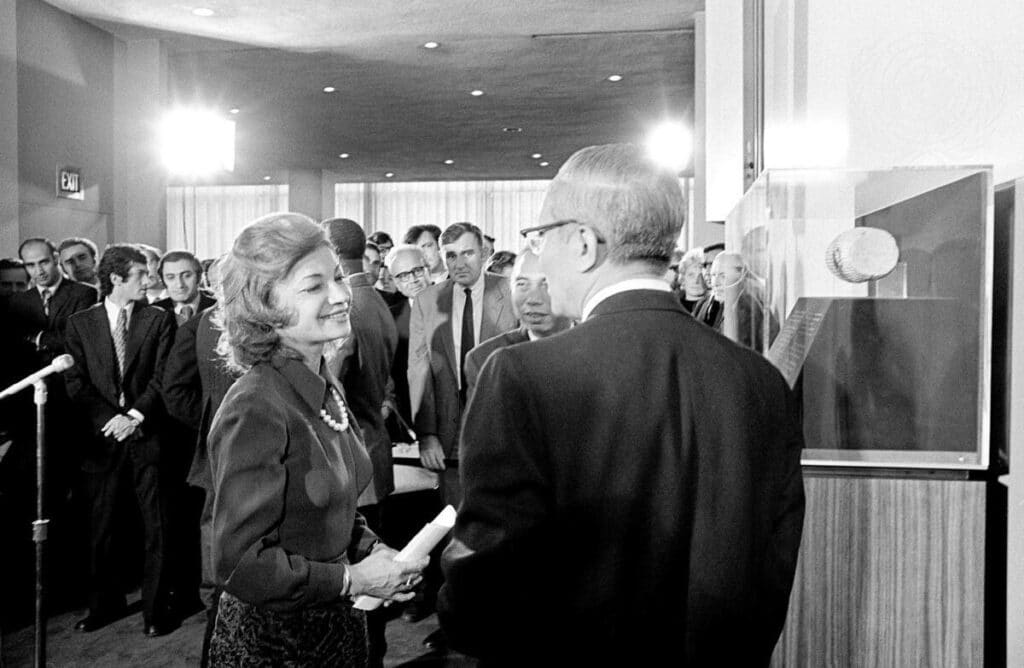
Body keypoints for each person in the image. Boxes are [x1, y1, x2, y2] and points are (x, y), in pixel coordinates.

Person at [439, 144, 805, 666]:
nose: (537, 257)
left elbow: (487, 577)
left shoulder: (523, 374)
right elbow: (775, 561)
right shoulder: (760, 381)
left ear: (584, 243)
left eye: (540, 237)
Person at [207, 212, 426, 666]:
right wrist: (353, 580)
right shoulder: (256, 405)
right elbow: (241, 565)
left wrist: (372, 551)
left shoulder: (323, 382)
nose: (342, 295)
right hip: (276, 644)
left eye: (339, 278)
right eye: (314, 286)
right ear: (264, 307)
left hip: (336, 628)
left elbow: (332, 509)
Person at [65, 244, 177, 637]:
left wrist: (133, 417)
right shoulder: (80, 323)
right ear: (116, 279)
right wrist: (110, 420)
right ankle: (103, 607)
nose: (150, 280)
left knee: (156, 527)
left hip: (146, 435)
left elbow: (163, 378)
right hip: (103, 440)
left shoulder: (159, 320)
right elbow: (76, 383)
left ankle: (155, 612)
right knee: (101, 528)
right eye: (142, 274)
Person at [162, 301, 240, 667]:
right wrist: (214, 423)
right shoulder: (201, 324)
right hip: (221, 453)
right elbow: (175, 389)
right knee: (216, 540)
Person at [463, 248, 571, 398]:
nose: (533, 299)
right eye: (522, 284)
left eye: (546, 284)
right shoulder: (484, 361)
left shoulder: (601, 350)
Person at [382, 245, 431, 435]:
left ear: (428, 268)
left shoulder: (454, 304)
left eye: (417, 270)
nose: (412, 280)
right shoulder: (390, 319)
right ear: (395, 282)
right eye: (403, 275)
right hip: (409, 413)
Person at [707, 251, 779, 353]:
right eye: (713, 275)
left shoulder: (747, 310)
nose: (715, 283)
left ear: (741, 275)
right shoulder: (727, 305)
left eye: (723, 276)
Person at [153, 250, 215, 325]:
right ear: (163, 281)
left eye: (187, 276)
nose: (180, 284)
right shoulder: (153, 312)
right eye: (171, 277)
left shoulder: (218, 307)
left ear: (199, 277)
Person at [677, 247, 707, 313]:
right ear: (683, 278)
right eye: (691, 275)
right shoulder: (674, 306)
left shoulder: (714, 308)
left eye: (700, 275)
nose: (696, 281)